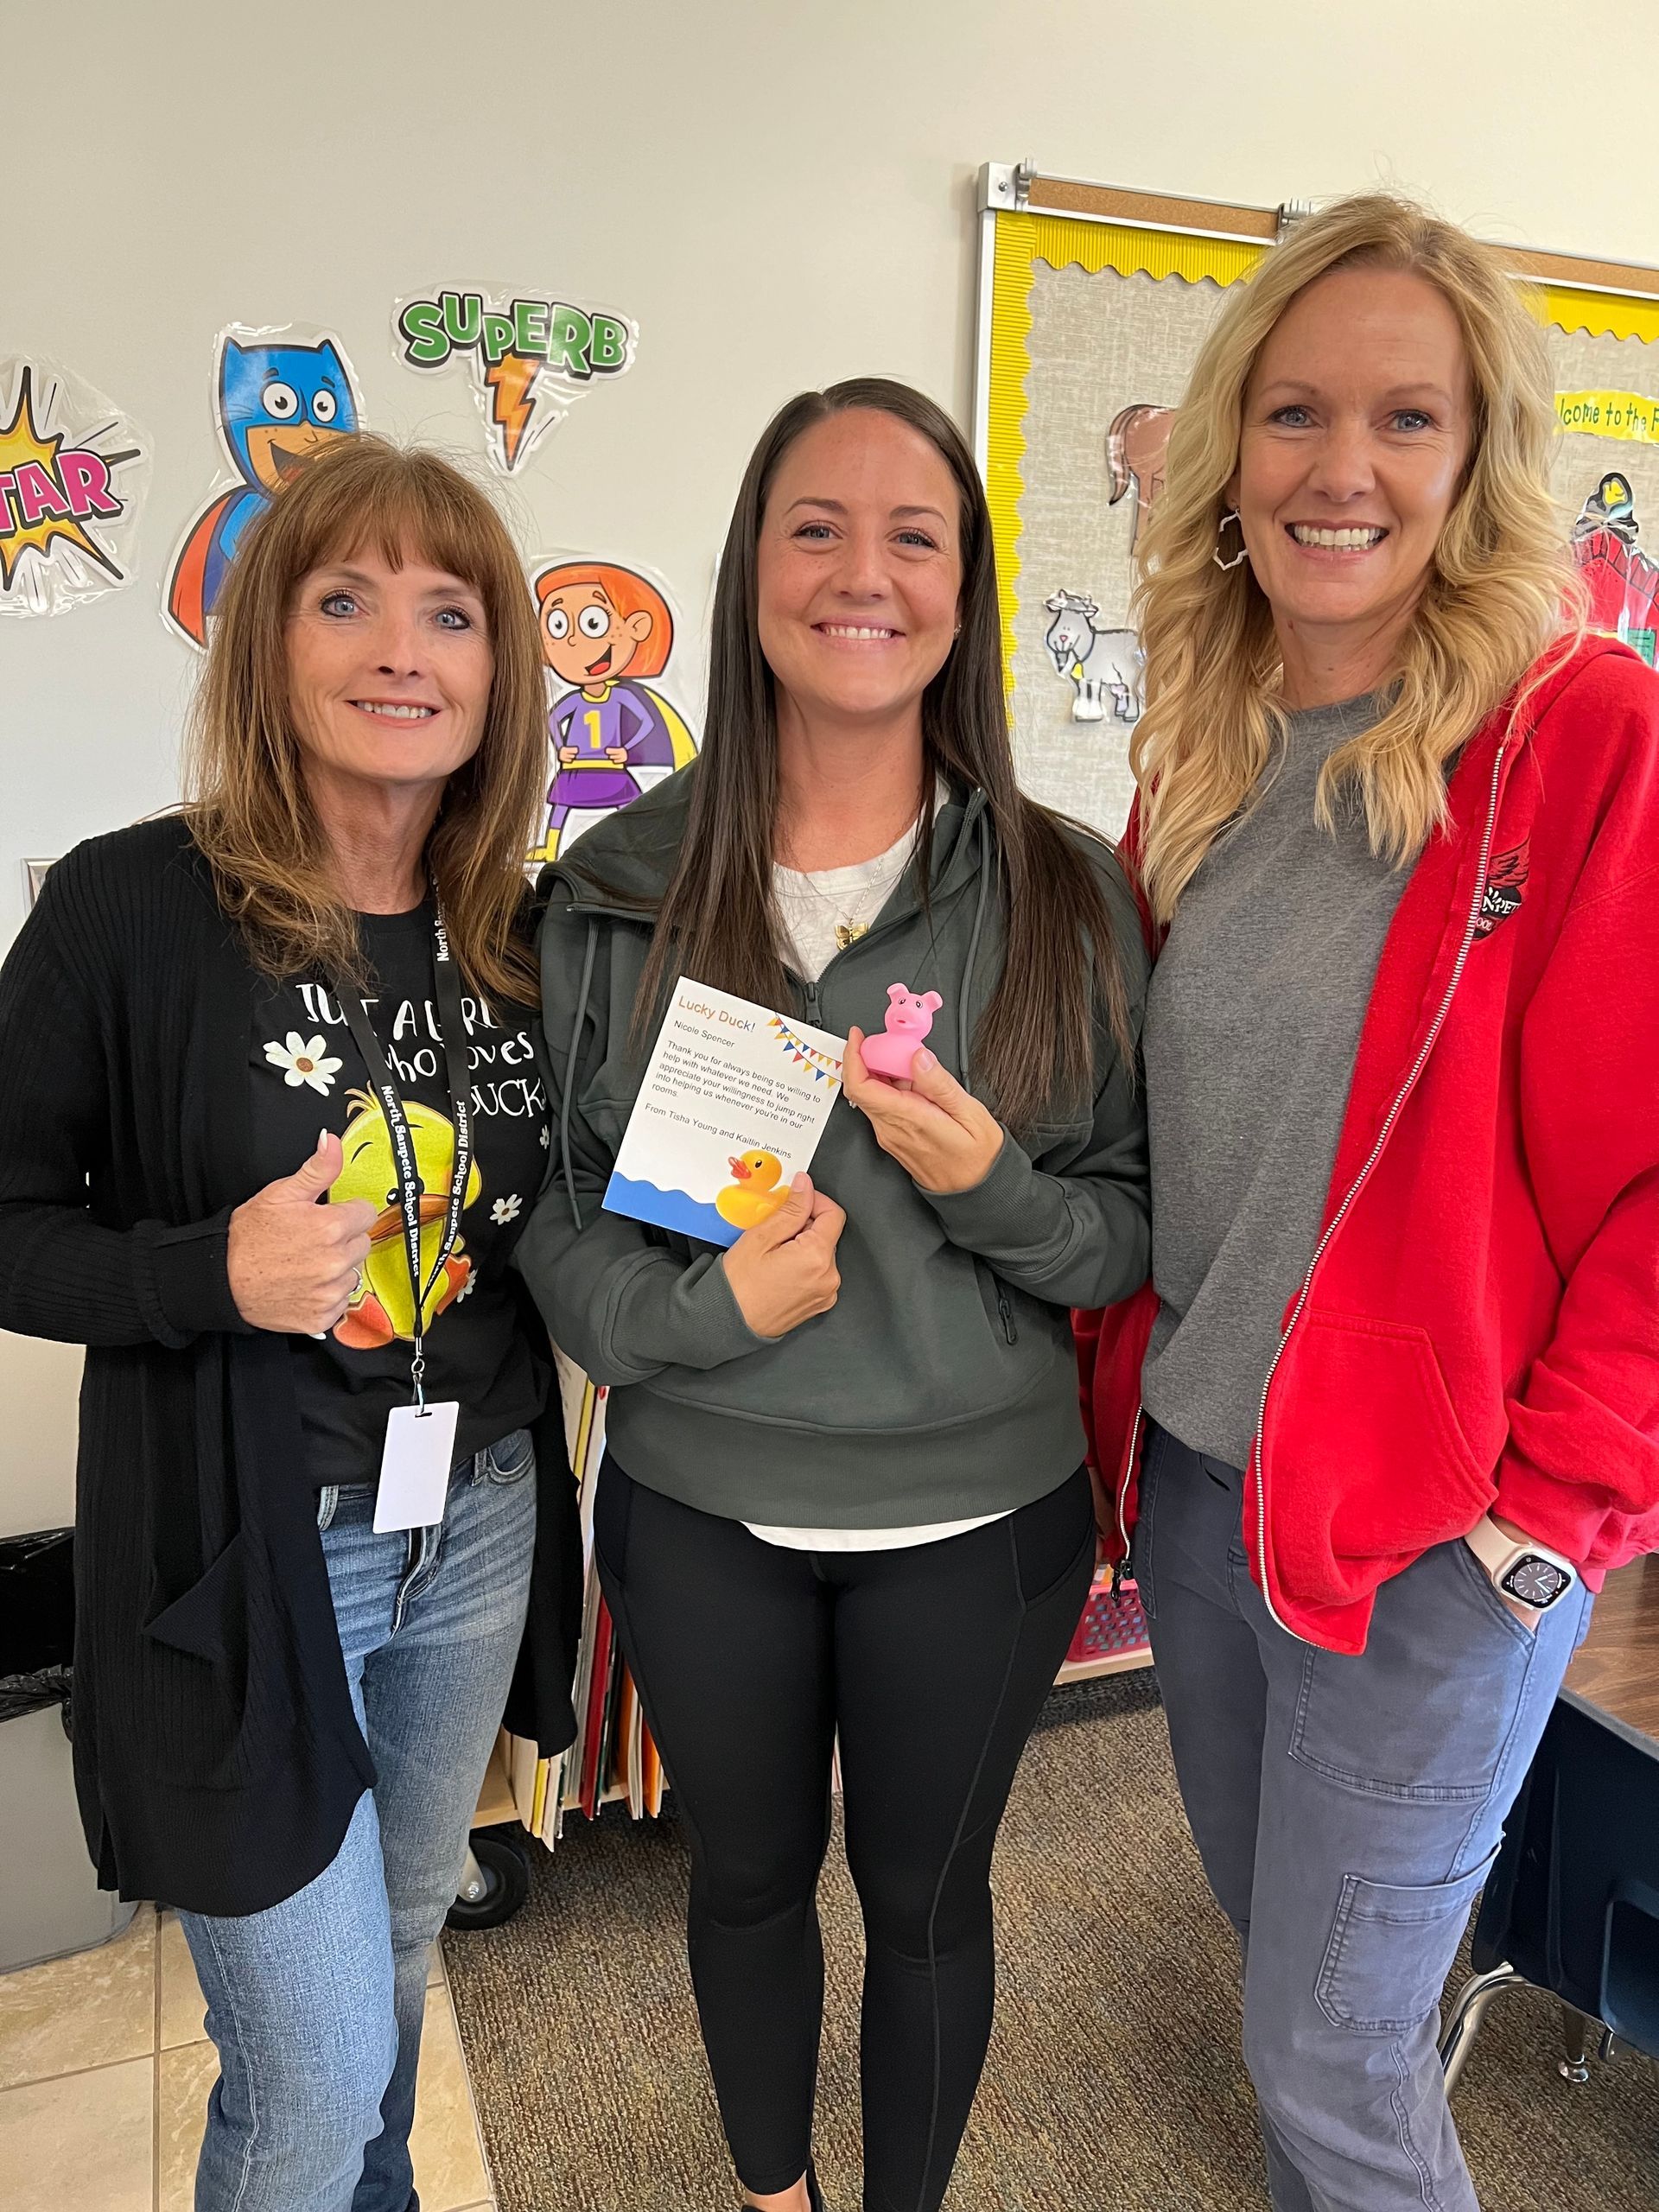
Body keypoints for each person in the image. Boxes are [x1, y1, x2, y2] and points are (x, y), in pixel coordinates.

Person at [1075, 193, 1659, 2209]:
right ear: (1229, 451)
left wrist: (1548, 1520)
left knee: (1319, 2049)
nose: (1345, 469)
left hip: (1437, 1528)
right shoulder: (1205, 758)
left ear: (1480, 456)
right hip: (1212, 1489)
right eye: (1299, 413)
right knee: (1299, 1963)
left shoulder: (1585, 736)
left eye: (1407, 419)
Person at [513, 378, 1149, 2212]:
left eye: (914, 534)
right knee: (743, 1878)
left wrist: (996, 1188)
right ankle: (771, 2191)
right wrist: (711, 1321)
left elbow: (1123, 1234)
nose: (861, 572)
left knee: (935, 1898)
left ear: (963, 588)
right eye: (816, 525)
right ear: (749, 569)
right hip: (703, 1506)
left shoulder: (1065, 891)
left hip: (984, 1518)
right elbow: (559, 1231)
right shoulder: (618, 889)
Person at [0, 437, 581, 2212]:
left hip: (470, 1520)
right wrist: (204, 1275)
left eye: (448, 608)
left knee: (400, 1947)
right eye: (345, 599)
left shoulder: (523, 930)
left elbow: (553, 1207)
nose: (400, 647)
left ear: (499, 670)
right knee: (312, 2070)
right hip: (245, 1554)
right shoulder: (128, 904)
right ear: (269, 641)